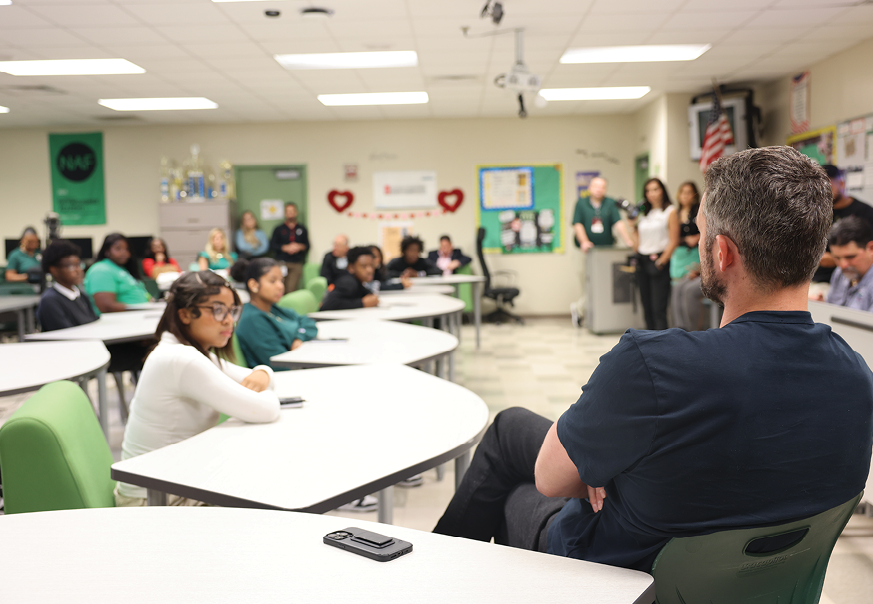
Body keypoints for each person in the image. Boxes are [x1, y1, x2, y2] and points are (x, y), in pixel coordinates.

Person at [433, 146, 873, 573]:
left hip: (618, 577)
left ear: (722, 252)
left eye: (699, 233)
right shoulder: (856, 377)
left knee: (515, 480)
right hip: (754, 582)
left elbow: (550, 481)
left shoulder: (655, 365)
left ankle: (431, 579)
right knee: (514, 427)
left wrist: (605, 465)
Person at [115, 271, 281, 507]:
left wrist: (263, 372)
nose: (228, 320)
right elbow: (266, 410)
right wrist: (262, 382)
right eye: (217, 310)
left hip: (173, 485)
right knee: (266, 488)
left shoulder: (189, 352)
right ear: (184, 314)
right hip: (153, 502)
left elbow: (261, 380)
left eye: (232, 310)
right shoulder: (180, 359)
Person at [231, 258, 318, 371]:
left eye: (281, 280)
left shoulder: (273, 309)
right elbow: (281, 364)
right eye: (273, 281)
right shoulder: (252, 320)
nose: (280, 286)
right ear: (254, 285)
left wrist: (299, 338)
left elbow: (308, 322)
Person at [570, 177, 633, 327]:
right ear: (590, 187)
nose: (599, 189)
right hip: (585, 251)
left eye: (603, 186)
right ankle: (580, 309)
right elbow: (577, 225)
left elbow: (618, 224)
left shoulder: (610, 203)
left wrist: (628, 241)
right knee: (587, 282)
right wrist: (585, 242)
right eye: (596, 186)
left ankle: (590, 313)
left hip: (605, 252)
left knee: (604, 283)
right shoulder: (581, 203)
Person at [809, 164, 873, 300]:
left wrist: (837, 259)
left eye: (828, 187)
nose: (823, 193)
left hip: (854, 279)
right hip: (824, 279)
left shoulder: (865, 212)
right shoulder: (816, 214)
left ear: (842, 183)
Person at [629, 178, 679, 330]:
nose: (652, 194)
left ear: (662, 190)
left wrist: (661, 262)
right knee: (647, 307)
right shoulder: (644, 214)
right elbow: (637, 245)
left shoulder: (670, 211)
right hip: (643, 260)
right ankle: (649, 344)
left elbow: (674, 240)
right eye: (648, 191)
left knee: (659, 308)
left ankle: (662, 346)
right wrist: (632, 226)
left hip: (659, 260)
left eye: (655, 189)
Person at [36, 240, 98, 331]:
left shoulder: (81, 295)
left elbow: (94, 322)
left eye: (79, 264)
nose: (78, 270)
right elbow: (66, 334)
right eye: (71, 266)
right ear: (54, 270)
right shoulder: (50, 301)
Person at [84, 233, 150, 313]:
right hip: (119, 320)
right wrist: (142, 308)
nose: (124, 252)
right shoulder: (101, 270)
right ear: (107, 251)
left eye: (127, 249)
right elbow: (106, 307)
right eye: (118, 249)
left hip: (136, 316)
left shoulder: (122, 269)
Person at [670, 182, 703, 331]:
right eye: (682, 192)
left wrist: (697, 237)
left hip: (696, 257)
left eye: (689, 192)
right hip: (681, 255)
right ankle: (679, 328)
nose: (685, 195)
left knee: (686, 289)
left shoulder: (700, 212)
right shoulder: (675, 213)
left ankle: (691, 329)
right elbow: (672, 238)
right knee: (677, 289)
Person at [823, 216, 873, 312]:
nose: (843, 265)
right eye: (837, 258)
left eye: (850, 257)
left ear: (871, 248)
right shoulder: (839, 273)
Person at [320, 246, 379, 311]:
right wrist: (362, 303)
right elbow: (329, 304)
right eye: (364, 266)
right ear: (351, 268)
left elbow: (368, 294)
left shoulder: (358, 281)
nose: (370, 270)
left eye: (371, 265)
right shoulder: (348, 282)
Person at [270, 202, 310, 294]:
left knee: (291, 289)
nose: (290, 213)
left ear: (296, 213)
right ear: (285, 213)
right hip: (281, 262)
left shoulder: (302, 229)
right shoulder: (279, 229)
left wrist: (299, 247)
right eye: (288, 211)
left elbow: (307, 246)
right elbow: (273, 245)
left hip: (296, 263)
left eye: (292, 211)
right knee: (278, 288)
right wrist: (285, 248)